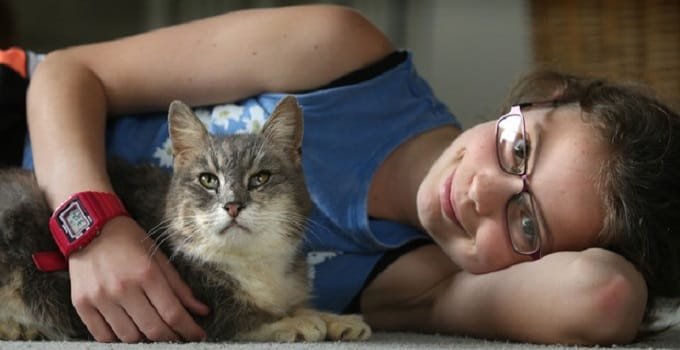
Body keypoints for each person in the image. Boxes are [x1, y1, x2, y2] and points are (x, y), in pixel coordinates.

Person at [5, 3, 679, 345]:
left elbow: (605, 296)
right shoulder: (346, 56)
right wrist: (91, 225)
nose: (479, 193)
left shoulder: (423, 283)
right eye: (519, 149)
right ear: (531, 100)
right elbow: (67, 72)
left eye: (527, 222)